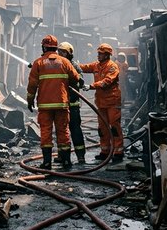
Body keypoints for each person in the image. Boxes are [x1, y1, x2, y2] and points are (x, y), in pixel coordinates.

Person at [27, 35, 81, 170]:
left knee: (46, 132)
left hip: (45, 105)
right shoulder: (65, 62)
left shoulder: (38, 63)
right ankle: (66, 161)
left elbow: (32, 85)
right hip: (62, 103)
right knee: (63, 131)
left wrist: (30, 100)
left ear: (44, 47)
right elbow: (76, 78)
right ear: (56, 48)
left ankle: (47, 163)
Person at [79, 43, 124, 162]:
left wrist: (91, 86)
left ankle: (118, 152)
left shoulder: (112, 67)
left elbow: (106, 82)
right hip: (101, 102)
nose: (98, 55)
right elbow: (84, 67)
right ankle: (105, 151)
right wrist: (73, 65)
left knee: (114, 126)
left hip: (112, 102)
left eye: (100, 53)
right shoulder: (96, 65)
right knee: (102, 128)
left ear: (107, 55)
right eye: (98, 53)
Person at [57, 42, 87, 164]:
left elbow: (80, 82)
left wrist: (71, 81)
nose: (60, 54)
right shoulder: (57, 65)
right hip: (61, 104)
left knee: (75, 129)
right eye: (59, 51)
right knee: (61, 130)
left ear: (69, 53)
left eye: (63, 52)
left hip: (73, 104)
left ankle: (81, 156)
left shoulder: (74, 66)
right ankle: (62, 155)